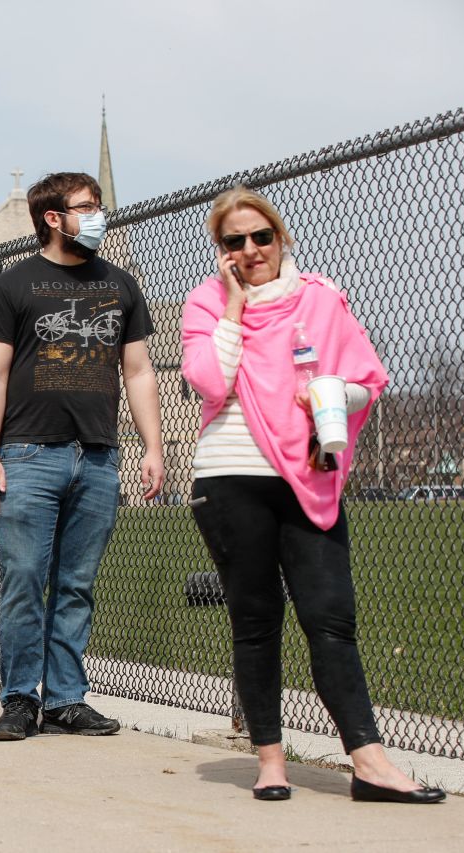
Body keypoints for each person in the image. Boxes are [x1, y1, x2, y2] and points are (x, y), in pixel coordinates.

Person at [180, 186, 443, 804]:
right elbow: (209, 383)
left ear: (280, 236)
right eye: (233, 242)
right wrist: (236, 310)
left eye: (260, 237)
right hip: (230, 475)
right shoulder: (207, 302)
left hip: (307, 472)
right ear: (222, 252)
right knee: (255, 617)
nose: (250, 251)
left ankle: (370, 764)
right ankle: (271, 761)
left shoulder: (322, 300)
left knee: (330, 616)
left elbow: (367, 382)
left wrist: (328, 392)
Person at [0, 171, 164, 741]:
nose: (98, 214)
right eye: (86, 206)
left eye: (99, 205)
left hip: (99, 457)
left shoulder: (121, 285)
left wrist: (152, 446)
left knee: (77, 584)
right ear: (53, 218)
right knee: (24, 579)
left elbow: (138, 370)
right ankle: (18, 699)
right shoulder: (15, 284)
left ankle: (65, 699)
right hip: (28, 455)